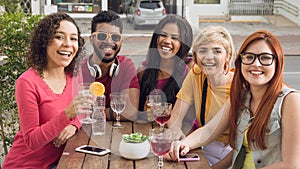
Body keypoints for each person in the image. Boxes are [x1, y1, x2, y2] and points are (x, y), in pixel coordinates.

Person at [167, 30, 300, 168]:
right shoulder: (242, 95)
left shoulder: (291, 100)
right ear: (241, 61)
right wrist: (183, 144)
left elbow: (291, 165)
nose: (256, 64)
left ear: (277, 62)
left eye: (265, 58)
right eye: (249, 57)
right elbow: (210, 130)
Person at [2, 12, 90, 168]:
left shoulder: (74, 75)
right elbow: (32, 141)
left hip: (59, 161)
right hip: (26, 165)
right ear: (44, 42)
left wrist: (73, 124)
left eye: (73, 38)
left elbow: (83, 109)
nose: (68, 44)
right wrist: (67, 115)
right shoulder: (27, 82)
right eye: (59, 37)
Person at [167, 26, 235, 168]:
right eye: (203, 51)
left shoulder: (240, 85)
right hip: (205, 144)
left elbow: (243, 149)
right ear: (196, 57)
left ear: (228, 56)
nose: (209, 57)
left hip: (233, 151)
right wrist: (177, 137)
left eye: (217, 51)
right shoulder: (196, 74)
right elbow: (176, 117)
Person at [80, 10, 140, 121]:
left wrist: (93, 113)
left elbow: (130, 112)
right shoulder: (79, 69)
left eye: (115, 37)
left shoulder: (126, 65)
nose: (109, 41)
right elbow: (73, 110)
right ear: (91, 39)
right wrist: (115, 112)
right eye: (102, 36)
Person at [138, 14, 193, 113]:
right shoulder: (143, 71)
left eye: (175, 38)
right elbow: (137, 112)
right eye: (163, 35)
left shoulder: (190, 70)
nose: (167, 41)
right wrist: (144, 113)